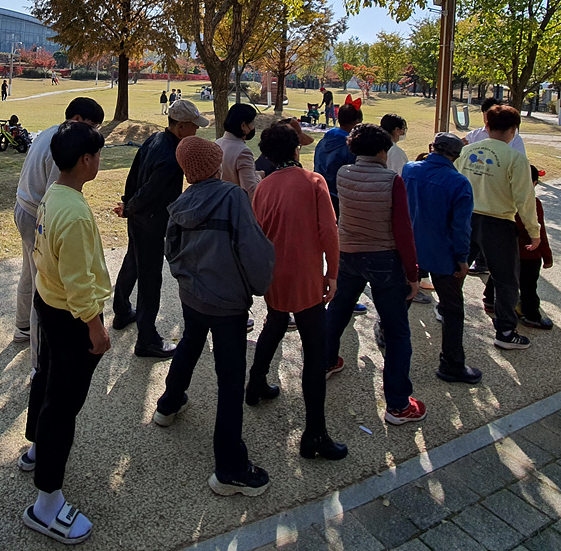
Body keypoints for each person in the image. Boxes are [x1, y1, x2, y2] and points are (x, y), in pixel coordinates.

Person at [153, 135, 277, 497]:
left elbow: (171, 250)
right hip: (227, 303)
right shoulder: (232, 197)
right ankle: (230, 468)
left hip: (193, 296)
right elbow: (252, 247)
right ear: (215, 164)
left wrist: (188, 279)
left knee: (190, 344)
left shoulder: (181, 202)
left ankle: (168, 404)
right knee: (231, 378)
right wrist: (259, 285)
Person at [20, 122, 111, 545]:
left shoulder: (54, 193)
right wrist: (95, 328)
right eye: (98, 155)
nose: (99, 161)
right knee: (63, 406)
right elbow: (79, 284)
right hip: (71, 317)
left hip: (50, 303)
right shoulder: (72, 212)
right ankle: (46, 504)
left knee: (48, 380)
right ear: (86, 160)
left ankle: (37, 448)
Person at [247, 123, 346, 460]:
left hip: (275, 274)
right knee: (315, 352)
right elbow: (329, 231)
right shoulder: (313, 182)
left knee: (274, 324)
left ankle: (256, 382)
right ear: (295, 149)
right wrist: (332, 273)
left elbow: (257, 233)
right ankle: (315, 432)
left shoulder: (263, 187)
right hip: (306, 276)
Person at [324, 123, 425, 426]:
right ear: (383, 151)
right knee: (396, 331)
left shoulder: (343, 173)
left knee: (337, 313)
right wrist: (413, 273)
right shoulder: (392, 180)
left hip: (348, 254)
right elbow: (403, 230)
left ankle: (325, 362)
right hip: (384, 258)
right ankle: (398, 403)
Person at [12, 98, 106, 366]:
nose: (92, 133)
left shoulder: (51, 133)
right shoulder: (66, 147)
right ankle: (38, 363)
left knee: (30, 272)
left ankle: (22, 327)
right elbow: (62, 189)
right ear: (76, 119)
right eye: (90, 126)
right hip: (36, 213)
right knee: (44, 286)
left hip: (27, 206)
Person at [112, 99, 209, 357]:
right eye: (193, 126)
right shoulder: (171, 157)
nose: (196, 130)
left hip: (139, 218)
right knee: (150, 279)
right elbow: (149, 192)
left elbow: (134, 174)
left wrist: (128, 204)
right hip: (151, 222)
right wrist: (130, 207)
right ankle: (147, 339)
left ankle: (121, 311)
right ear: (180, 126)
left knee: (133, 261)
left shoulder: (155, 138)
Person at [458, 104, 540, 350]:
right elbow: (525, 200)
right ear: (514, 130)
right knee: (505, 280)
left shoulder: (466, 151)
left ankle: (446, 308)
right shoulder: (515, 158)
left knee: (457, 268)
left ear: (487, 125)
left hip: (466, 219)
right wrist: (534, 232)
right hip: (499, 223)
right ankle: (505, 331)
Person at [402, 133, 480, 384]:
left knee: (402, 298)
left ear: (431, 148)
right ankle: (451, 363)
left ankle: (386, 334)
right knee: (452, 309)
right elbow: (461, 227)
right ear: (456, 156)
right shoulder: (459, 183)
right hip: (443, 253)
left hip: (411, 248)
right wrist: (463, 258)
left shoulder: (409, 170)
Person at [491, 164, 554, 329]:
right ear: (533, 183)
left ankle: (489, 301)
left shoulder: (501, 198)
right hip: (527, 252)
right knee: (528, 286)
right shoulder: (532, 202)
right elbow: (539, 231)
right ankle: (531, 315)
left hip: (503, 249)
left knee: (498, 277)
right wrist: (547, 256)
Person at [313, 101, 363, 214]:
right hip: (339, 199)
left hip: (319, 193)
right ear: (357, 123)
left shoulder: (323, 141)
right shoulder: (351, 148)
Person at [216, 103, 261, 195]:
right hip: (236, 200)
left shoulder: (216, 144)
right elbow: (250, 191)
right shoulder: (243, 152)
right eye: (252, 123)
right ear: (243, 126)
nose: (253, 127)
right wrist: (258, 176)